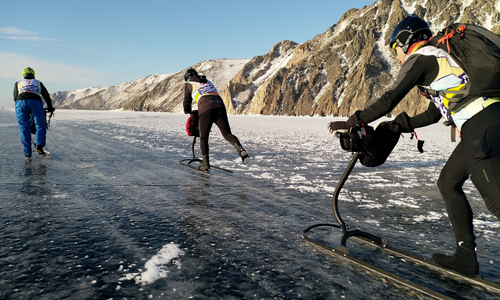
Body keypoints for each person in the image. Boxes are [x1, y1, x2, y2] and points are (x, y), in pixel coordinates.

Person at [327, 16, 500, 278]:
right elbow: (434, 114)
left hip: (483, 122)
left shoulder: (423, 57)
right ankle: (466, 257)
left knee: (497, 200)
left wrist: (354, 120)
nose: (396, 56)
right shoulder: (441, 61)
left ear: (405, 41)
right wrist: (399, 125)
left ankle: (466, 256)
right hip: (482, 123)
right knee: (448, 182)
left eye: (395, 48)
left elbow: (389, 99)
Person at [183, 68, 249, 172]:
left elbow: (187, 101)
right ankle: (241, 149)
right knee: (227, 133)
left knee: (203, 137)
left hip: (205, 108)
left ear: (188, 78)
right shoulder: (208, 81)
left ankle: (205, 165)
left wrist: (188, 111)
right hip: (220, 105)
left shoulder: (189, 84)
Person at [13, 67, 55, 158]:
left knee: (24, 128)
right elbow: (46, 96)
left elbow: (15, 97)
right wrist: (50, 107)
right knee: (40, 124)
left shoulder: (18, 82)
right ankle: (39, 146)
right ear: (33, 74)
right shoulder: (38, 82)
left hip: (21, 102)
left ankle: (27, 154)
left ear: (24, 75)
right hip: (35, 102)